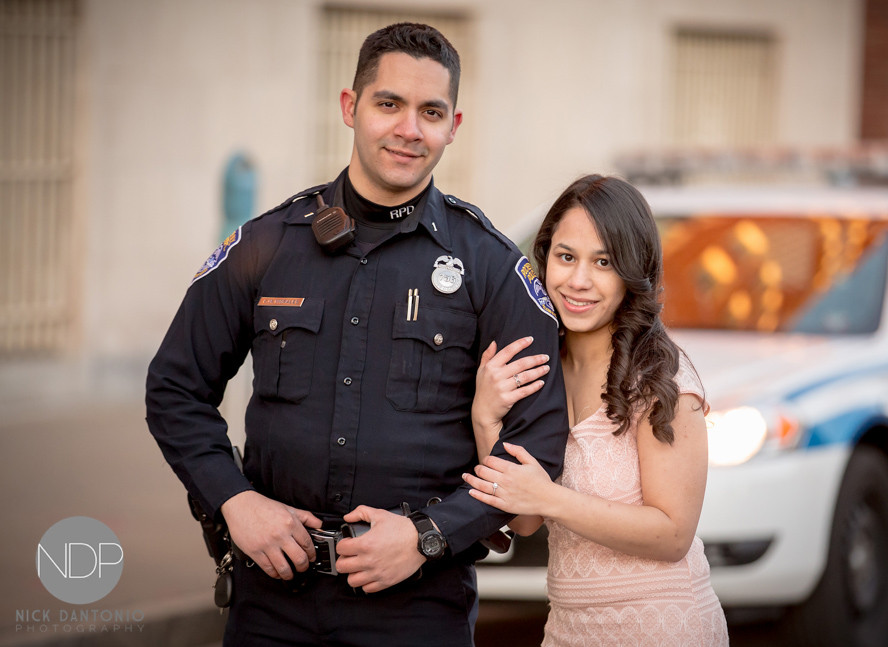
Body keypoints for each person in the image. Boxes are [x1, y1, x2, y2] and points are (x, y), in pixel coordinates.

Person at [145, 23, 569, 647]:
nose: (409, 129)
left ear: (454, 126)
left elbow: (537, 444)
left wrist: (432, 533)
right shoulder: (268, 245)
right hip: (271, 600)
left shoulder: (490, 268)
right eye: (389, 104)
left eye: (431, 112)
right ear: (351, 107)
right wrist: (234, 501)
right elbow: (175, 387)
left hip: (418, 609)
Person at [463, 174, 729, 646]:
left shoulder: (661, 380)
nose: (579, 281)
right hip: (568, 629)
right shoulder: (539, 370)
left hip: (662, 626)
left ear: (632, 273)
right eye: (566, 257)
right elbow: (525, 520)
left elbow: (672, 535)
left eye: (603, 262)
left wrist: (549, 498)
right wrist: (486, 418)